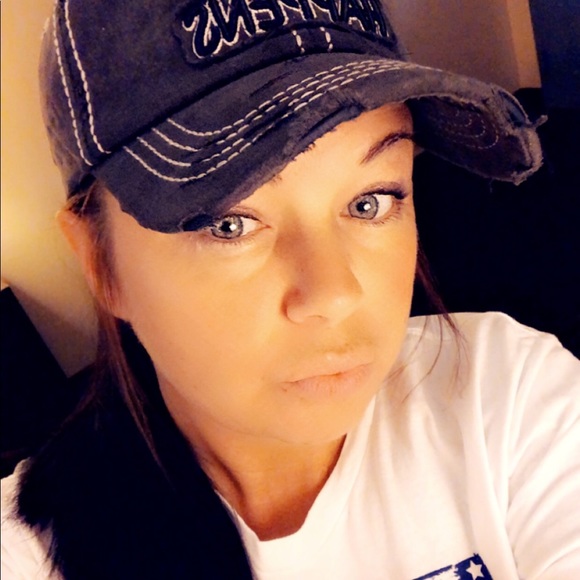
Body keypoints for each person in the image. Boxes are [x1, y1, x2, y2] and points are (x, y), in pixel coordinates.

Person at [1, 0, 579, 578]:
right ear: (99, 263)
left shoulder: (510, 396)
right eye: (229, 224)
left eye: (370, 201)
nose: (334, 294)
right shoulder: (27, 550)